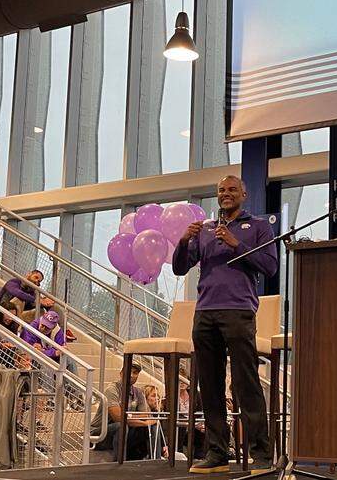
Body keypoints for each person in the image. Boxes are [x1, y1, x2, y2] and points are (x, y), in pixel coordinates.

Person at [172, 175, 277, 473]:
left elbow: (270, 266)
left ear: (244, 193)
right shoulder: (205, 230)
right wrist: (183, 241)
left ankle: (261, 454)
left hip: (239, 311)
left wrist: (235, 244)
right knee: (209, 385)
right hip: (205, 312)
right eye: (221, 190)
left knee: (246, 383)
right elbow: (180, 268)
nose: (226, 194)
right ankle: (217, 452)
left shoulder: (258, 226)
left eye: (232, 189)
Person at [95, 361, 151, 461]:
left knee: (153, 426)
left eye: (135, 373)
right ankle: (120, 463)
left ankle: (155, 459)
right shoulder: (112, 389)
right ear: (121, 373)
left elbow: (146, 415)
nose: (132, 375)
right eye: (129, 371)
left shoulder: (138, 392)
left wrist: (145, 422)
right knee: (121, 426)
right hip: (100, 432)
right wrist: (143, 422)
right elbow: (118, 417)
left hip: (124, 429)